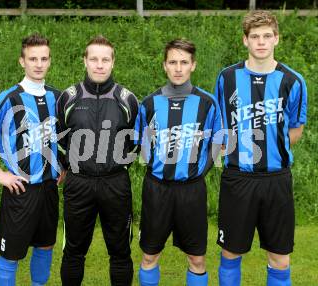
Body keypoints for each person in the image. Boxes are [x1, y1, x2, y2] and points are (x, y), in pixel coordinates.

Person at [215, 10, 307, 286]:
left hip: (276, 179)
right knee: (230, 253)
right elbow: (221, 124)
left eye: (267, 36)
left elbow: (296, 129)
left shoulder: (293, 81)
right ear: (245, 41)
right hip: (237, 179)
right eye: (255, 36)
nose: (261, 42)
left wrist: (270, 146)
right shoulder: (227, 78)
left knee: (279, 256)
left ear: (277, 39)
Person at [0, 33, 62, 286]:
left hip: (49, 188)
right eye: (33, 58)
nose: (39, 64)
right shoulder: (8, 98)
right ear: (22, 61)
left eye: (44, 58)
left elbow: (64, 136)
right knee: (10, 255)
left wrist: (62, 165)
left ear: (50, 61)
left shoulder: (58, 97)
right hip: (20, 190)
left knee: (45, 247)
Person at [135, 39, 223, 286]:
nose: (178, 68)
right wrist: (154, 164)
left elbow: (217, 144)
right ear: (164, 66)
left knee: (197, 258)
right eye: (172, 62)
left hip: (192, 191)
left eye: (184, 62)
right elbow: (141, 143)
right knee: (150, 255)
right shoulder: (149, 103)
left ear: (193, 65)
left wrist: (199, 173)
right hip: (157, 190)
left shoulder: (207, 103)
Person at [57, 35, 139, 286]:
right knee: (73, 251)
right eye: (94, 59)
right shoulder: (68, 98)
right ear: (85, 61)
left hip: (115, 183)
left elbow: (135, 142)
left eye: (105, 59)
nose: (99, 64)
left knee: (120, 252)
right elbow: (60, 139)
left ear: (113, 62)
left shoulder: (127, 99)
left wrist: (118, 165)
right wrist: (68, 168)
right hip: (78, 183)